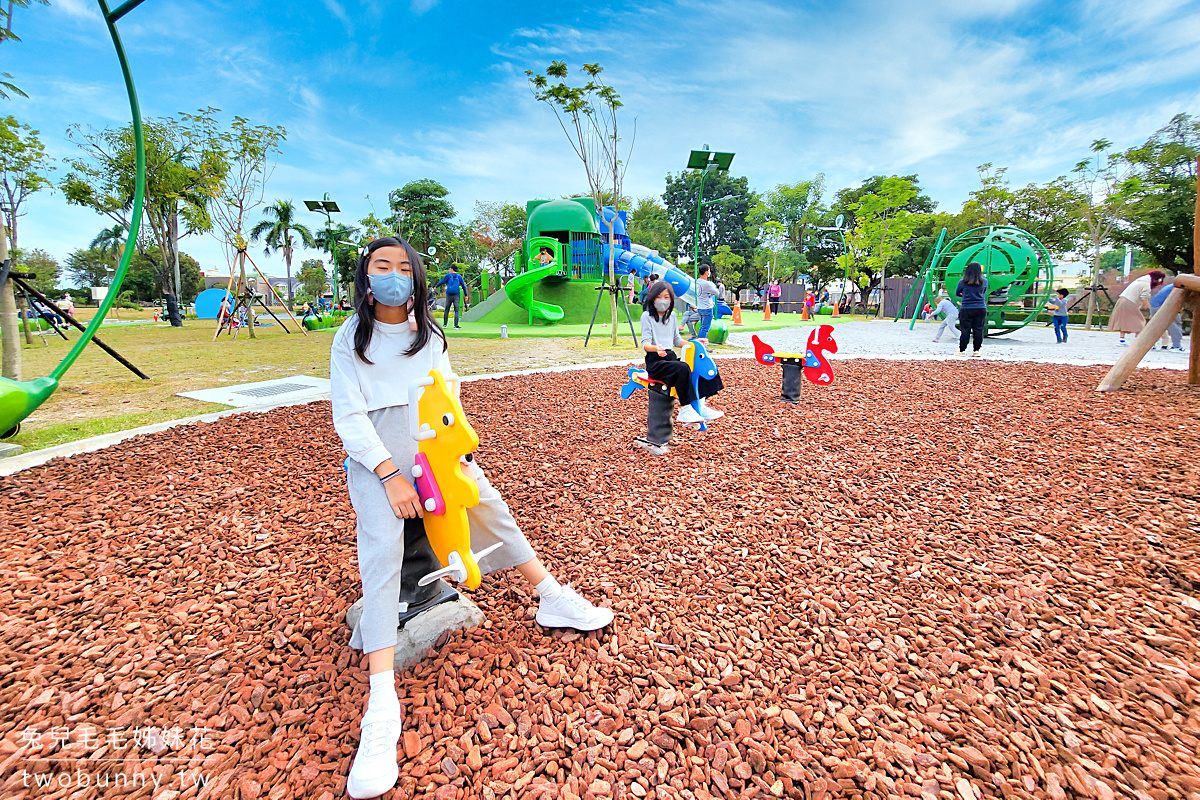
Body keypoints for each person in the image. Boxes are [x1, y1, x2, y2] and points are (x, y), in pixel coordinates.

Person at [330, 236, 613, 799]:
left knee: (490, 507)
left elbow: (447, 391)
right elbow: (348, 413)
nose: (393, 276)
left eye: (404, 267)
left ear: (417, 278)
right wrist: (389, 474)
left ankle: (551, 597)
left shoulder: (429, 335)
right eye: (382, 267)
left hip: (432, 443)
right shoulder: (349, 338)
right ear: (366, 278)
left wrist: (451, 453)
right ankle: (381, 702)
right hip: (376, 455)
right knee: (383, 550)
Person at [640, 279, 723, 424]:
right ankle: (685, 409)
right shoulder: (647, 317)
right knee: (683, 368)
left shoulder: (671, 316)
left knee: (698, 367)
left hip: (669, 358)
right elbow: (645, 343)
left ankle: (700, 405)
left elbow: (677, 340)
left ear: (671, 300)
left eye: (666, 297)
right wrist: (656, 348)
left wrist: (695, 343)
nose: (662, 301)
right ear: (652, 298)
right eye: (659, 297)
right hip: (656, 361)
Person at [1108, 270, 1165, 346]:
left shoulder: (1140, 280)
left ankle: (1122, 339)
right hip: (1130, 302)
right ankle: (1139, 340)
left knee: (1124, 320)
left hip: (1123, 300)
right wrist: (1151, 308)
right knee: (1139, 321)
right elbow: (1144, 298)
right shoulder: (1146, 284)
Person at [955, 261, 988, 356]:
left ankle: (962, 350)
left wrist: (965, 294)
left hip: (966, 307)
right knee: (978, 329)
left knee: (965, 330)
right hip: (980, 307)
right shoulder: (984, 282)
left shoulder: (962, 282)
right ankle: (976, 350)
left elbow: (957, 293)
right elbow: (983, 292)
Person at [1150, 279, 1185, 352]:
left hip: (1155, 305)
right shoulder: (1181, 287)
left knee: (1155, 325)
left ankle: (1150, 345)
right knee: (1175, 324)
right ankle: (1176, 346)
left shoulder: (1173, 285)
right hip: (1163, 306)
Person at [435, 264, 465, 329]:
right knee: (456, 310)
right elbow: (463, 286)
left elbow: (441, 282)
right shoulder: (459, 277)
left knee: (447, 309)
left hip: (449, 295)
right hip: (456, 295)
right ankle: (455, 325)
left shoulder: (448, 276)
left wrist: (436, 286)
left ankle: (445, 325)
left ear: (451, 269)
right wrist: (466, 295)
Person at [695, 265, 718, 340]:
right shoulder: (706, 284)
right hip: (707, 308)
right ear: (706, 273)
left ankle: (701, 344)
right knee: (705, 328)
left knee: (702, 327)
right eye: (709, 270)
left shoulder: (698, 281)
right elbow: (717, 292)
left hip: (700, 307)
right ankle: (701, 344)